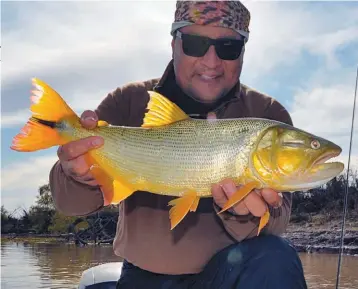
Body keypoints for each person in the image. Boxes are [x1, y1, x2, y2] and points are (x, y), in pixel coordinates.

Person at [49, 1, 308, 288]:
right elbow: (69, 204)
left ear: (243, 52)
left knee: (276, 256)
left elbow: (278, 221)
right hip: (143, 279)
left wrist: (241, 214)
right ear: (174, 44)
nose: (211, 61)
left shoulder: (269, 116)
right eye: (196, 44)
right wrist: (77, 176)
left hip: (232, 274)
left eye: (228, 48)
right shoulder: (128, 102)